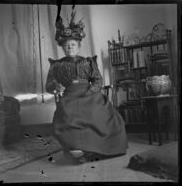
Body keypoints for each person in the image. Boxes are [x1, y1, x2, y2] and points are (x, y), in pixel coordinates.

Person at [46, 11, 128, 163]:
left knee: (98, 111)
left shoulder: (88, 62)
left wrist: (91, 91)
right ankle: (76, 147)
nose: (70, 47)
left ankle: (96, 148)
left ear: (78, 46)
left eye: (73, 45)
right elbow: (49, 85)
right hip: (69, 95)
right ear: (63, 48)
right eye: (67, 45)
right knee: (67, 113)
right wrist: (55, 87)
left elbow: (97, 80)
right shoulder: (57, 65)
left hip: (89, 94)